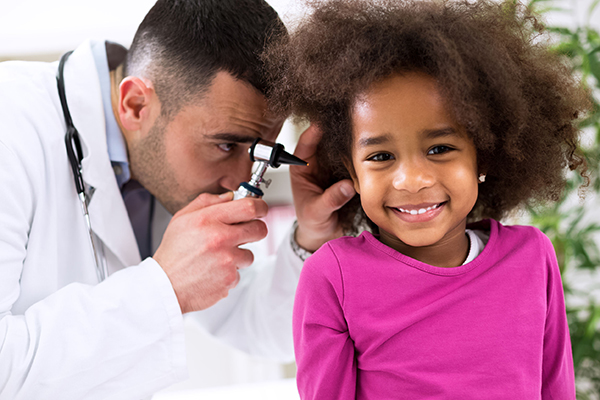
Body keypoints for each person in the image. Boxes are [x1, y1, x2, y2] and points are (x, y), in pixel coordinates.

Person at [0, 0, 356, 398]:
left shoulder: (159, 160)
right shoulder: (10, 126)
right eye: (225, 145)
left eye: (257, 152)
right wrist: (163, 288)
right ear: (136, 104)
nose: (240, 179)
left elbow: (257, 328)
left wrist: (310, 238)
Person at [263, 0, 591, 398]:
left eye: (439, 148)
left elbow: (557, 388)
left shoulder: (532, 256)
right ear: (352, 173)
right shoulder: (334, 277)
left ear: (482, 156)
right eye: (381, 157)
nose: (412, 180)